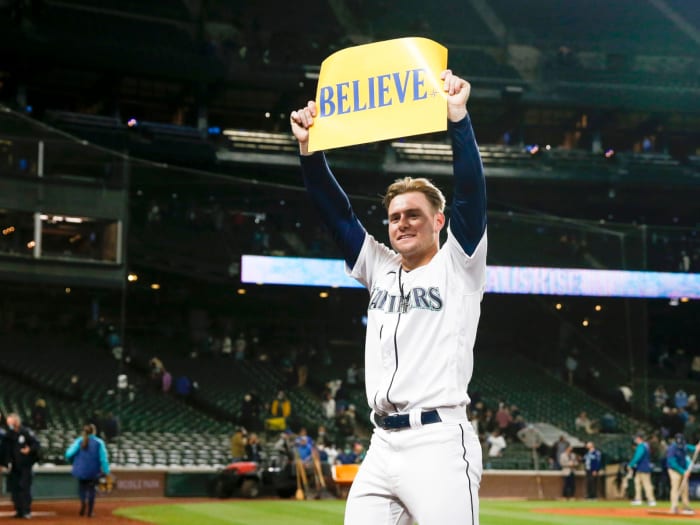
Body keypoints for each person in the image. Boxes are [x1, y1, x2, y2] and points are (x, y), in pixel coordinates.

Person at [291, 69, 486, 525]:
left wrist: (458, 120)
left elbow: (472, 195)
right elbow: (335, 213)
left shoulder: (459, 264)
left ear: (439, 222)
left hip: (438, 443)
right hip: (381, 445)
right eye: (395, 216)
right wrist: (308, 151)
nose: (402, 223)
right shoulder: (379, 266)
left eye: (414, 214)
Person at [65, 424, 110, 517]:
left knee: (82, 488)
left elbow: (68, 454)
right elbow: (103, 459)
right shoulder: (99, 442)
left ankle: (83, 502)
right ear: (94, 431)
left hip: (80, 469)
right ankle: (90, 511)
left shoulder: (79, 441)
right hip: (94, 470)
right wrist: (106, 471)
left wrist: (73, 462)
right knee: (92, 490)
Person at [2, 413, 40, 519]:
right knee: (15, 489)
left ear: (16, 421)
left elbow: (36, 444)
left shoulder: (26, 432)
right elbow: (4, 450)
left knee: (24, 488)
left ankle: (26, 510)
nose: (9, 424)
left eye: (11, 422)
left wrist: (29, 450)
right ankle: (18, 510)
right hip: (13, 467)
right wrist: (4, 463)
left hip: (25, 466)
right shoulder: (8, 435)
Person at [666, 433, 696, 515]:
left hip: (683, 469)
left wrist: (696, 448)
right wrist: (683, 472)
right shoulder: (672, 449)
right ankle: (674, 506)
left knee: (685, 488)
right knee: (675, 487)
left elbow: (690, 448)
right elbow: (672, 462)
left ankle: (686, 506)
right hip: (674, 470)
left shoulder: (684, 445)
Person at [628, 433, 656, 506]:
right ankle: (638, 499)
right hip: (641, 467)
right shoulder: (646, 445)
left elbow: (638, 456)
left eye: (636, 438)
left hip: (643, 467)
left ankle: (651, 500)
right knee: (637, 483)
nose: (635, 440)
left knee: (646, 484)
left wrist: (631, 464)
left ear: (639, 439)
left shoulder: (641, 446)